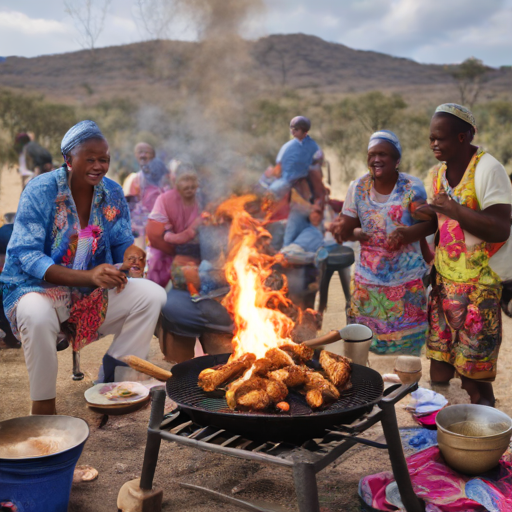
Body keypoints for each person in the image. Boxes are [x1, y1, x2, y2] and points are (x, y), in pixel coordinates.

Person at [0, 120, 167, 415]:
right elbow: (28, 256)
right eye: (89, 159)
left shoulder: (112, 193)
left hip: (87, 294)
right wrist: (88, 275)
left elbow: (121, 243)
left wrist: (131, 256)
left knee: (151, 294)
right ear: (68, 159)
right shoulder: (41, 190)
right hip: (35, 290)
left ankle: (118, 385)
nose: (98, 165)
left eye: (103, 159)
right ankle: (43, 408)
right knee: (36, 314)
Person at [425, 103, 512, 406]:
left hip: (479, 288)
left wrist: (455, 209)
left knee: (475, 375)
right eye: (431, 139)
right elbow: (440, 224)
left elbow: (501, 228)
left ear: (463, 137)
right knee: (439, 365)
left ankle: (484, 431)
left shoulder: (488, 169)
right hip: (445, 284)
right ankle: (441, 422)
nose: (434, 144)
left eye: (441, 138)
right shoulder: (438, 174)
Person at [333, 130, 432, 356]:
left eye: (383, 154)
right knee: (362, 348)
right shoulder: (357, 188)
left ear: (397, 160)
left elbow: (429, 224)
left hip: (406, 286)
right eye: (372, 154)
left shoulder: (411, 188)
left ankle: (405, 389)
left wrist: (407, 234)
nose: (376, 159)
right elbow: (347, 229)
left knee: (406, 354)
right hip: (368, 286)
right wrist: (355, 232)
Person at [146, 163, 202, 288]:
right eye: (184, 180)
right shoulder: (164, 200)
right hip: (167, 249)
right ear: (176, 182)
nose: (189, 185)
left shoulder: (203, 200)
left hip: (196, 252)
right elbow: (156, 234)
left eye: (192, 180)